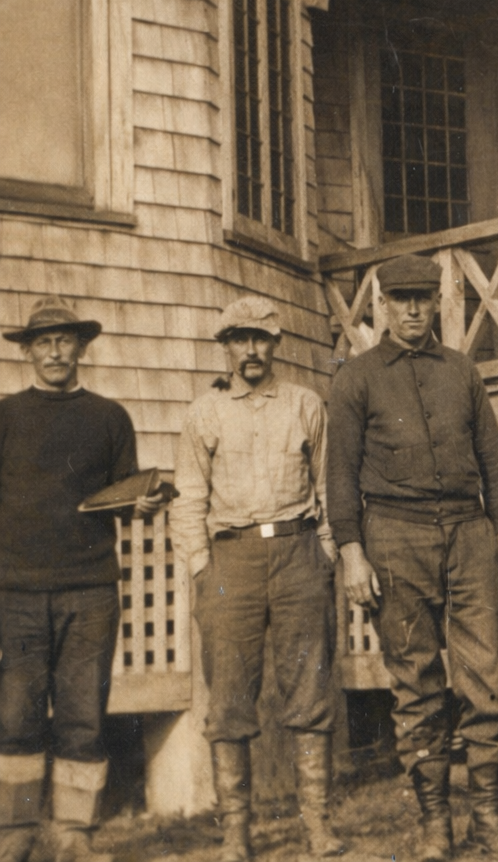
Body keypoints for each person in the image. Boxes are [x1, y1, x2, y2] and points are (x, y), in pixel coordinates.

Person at [327, 255, 498, 862]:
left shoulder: (462, 370)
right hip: (394, 538)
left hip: (468, 535)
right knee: (416, 684)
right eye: (402, 300)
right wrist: (353, 554)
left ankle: (487, 821)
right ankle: (435, 824)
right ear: (383, 306)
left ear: (437, 304)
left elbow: (493, 458)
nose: (413, 310)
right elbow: (339, 474)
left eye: (423, 299)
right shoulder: (357, 378)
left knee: (487, 681)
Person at [169, 296, 345, 862]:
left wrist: (325, 557)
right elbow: (188, 499)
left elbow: (327, 487)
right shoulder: (204, 413)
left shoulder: (305, 404)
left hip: (297, 553)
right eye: (239, 340)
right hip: (230, 561)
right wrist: (201, 567)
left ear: (275, 345)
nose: (250, 350)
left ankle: (317, 827)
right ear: (226, 347)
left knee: (310, 690)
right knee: (228, 699)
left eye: (261, 339)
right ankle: (236, 834)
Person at [0, 297, 165, 862]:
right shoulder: (4, 416)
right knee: (15, 714)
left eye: (65, 341)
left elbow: (123, 496)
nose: (54, 352)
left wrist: (141, 506)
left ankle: (74, 836)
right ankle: (15, 833)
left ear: (81, 348)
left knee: (81, 715)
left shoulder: (109, 417)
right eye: (43, 342)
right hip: (14, 593)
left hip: (91, 590)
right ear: (27, 351)